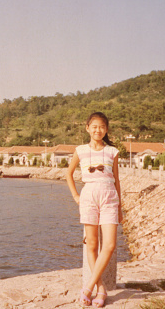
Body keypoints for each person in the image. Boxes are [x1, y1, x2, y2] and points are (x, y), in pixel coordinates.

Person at [66, 112, 123, 308]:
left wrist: (120, 207)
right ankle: (101, 289)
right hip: (88, 197)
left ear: (106, 129)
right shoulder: (80, 150)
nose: (98, 130)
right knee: (91, 244)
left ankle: (88, 287)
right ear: (87, 128)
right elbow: (69, 174)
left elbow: (117, 180)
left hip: (109, 198)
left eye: (102, 127)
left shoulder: (112, 152)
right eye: (94, 126)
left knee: (109, 245)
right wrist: (76, 196)